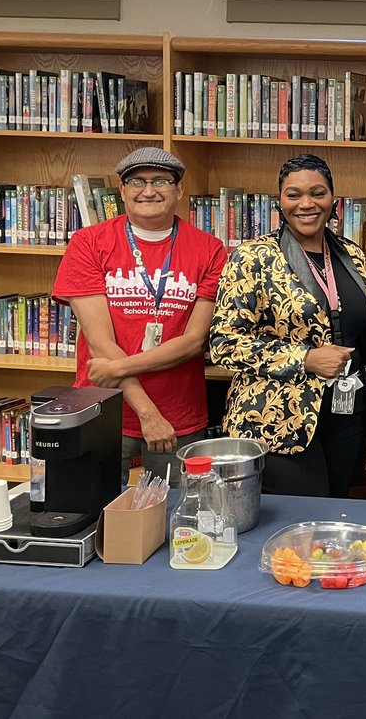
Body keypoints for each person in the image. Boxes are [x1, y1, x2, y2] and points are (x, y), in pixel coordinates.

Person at [210, 154, 366, 497]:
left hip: (345, 414)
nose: (306, 204)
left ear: (333, 199)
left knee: (334, 516)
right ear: (280, 202)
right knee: (300, 524)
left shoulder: (352, 255)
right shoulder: (252, 258)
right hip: (278, 418)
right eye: (294, 195)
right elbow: (224, 344)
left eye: (317, 193)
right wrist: (305, 358)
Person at [52, 146, 226, 484]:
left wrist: (117, 368)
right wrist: (148, 412)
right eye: (136, 181)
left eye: (161, 180)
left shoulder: (210, 249)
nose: (148, 191)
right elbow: (101, 343)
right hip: (102, 410)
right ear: (122, 190)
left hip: (179, 416)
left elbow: (192, 342)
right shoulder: (88, 243)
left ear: (179, 190)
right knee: (95, 519)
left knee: (180, 519)